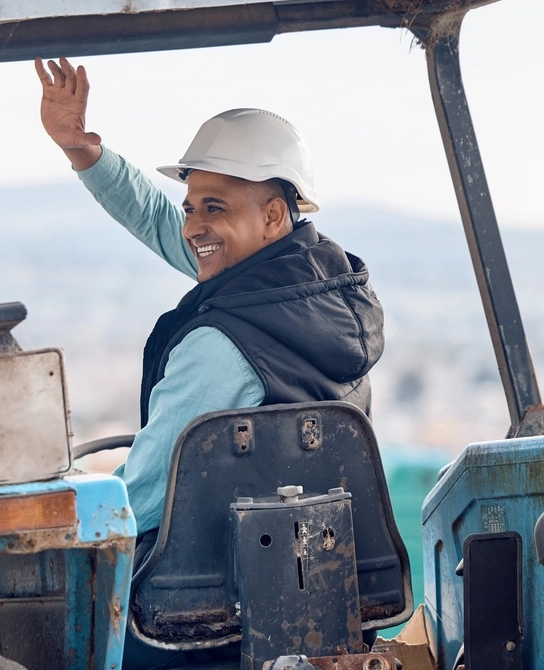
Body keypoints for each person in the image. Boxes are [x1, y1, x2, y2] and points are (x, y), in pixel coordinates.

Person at [36, 57, 384, 535]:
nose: (192, 227)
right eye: (191, 208)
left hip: (197, 584)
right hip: (307, 563)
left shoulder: (223, 349)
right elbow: (163, 221)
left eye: (214, 208)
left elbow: (135, 506)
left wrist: (42, 529)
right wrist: (84, 153)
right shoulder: (317, 294)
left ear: (272, 217)